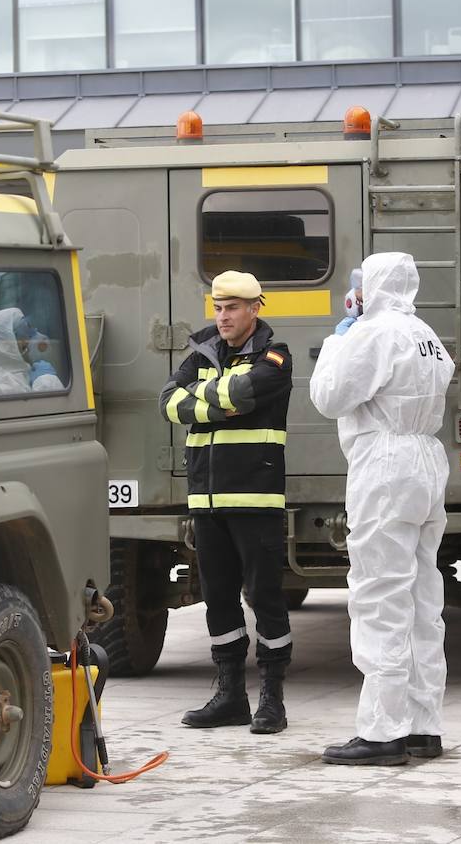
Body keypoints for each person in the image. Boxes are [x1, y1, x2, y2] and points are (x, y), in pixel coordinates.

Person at [309, 253, 455, 766]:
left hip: (386, 464)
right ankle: (422, 725)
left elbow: (328, 396)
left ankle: (382, 731)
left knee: (379, 595)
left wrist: (339, 338)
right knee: (421, 598)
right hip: (426, 461)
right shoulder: (427, 335)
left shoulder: (374, 333)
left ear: (370, 287)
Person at [159, 270, 294, 735]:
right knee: (217, 599)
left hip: (255, 497)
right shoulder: (201, 353)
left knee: (265, 598)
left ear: (255, 309)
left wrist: (203, 398)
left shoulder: (275, 356)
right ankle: (230, 696)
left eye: (232, 308)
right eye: (218, 308)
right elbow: (168, 403)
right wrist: (221, 402)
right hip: (207, 500)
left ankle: (272, 699)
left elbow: (247, 391)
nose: (223, 317)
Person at [0, 307, 63, 397]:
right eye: (27, 330)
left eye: (31, 327)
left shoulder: (24, 373)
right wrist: (46, 381)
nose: (38, 336)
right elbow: (50, 405)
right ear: (8, 343)